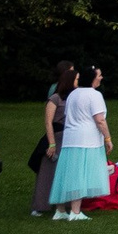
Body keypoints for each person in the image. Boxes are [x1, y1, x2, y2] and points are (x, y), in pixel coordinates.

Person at [50, 70, 113, 220]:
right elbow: (99, 120)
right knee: (80, 173)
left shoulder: (73, 94)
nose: (101, 77)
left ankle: (60, 210)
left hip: (70, 138)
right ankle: (76, 212)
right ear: (92, 79)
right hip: (87, 140)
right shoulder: (94, 95)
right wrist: (108, 138)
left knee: (67, 173)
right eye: (99, 75)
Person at [29, 62, 74, 215]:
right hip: (56, 136)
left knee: (66, 171)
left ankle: (65, 204)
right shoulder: (55, 98)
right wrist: (51, 143)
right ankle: (39, 206)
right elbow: (48, 122)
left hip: (68, 137)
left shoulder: (72, 97)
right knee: (47, 171)